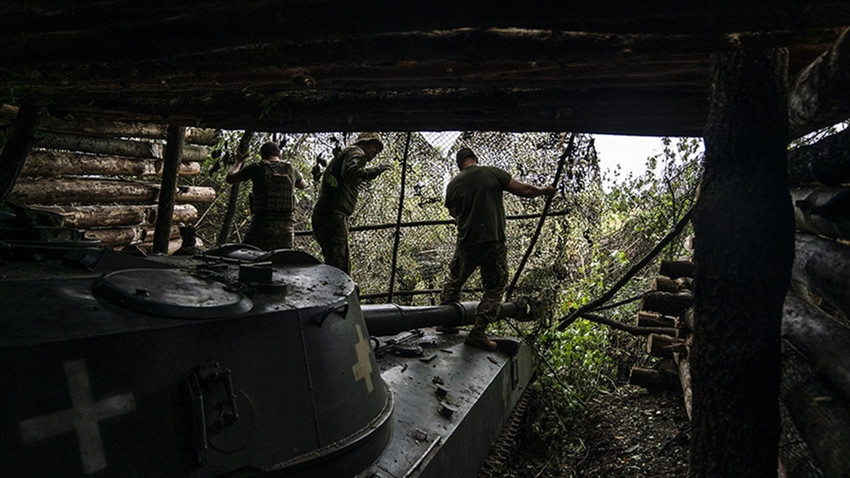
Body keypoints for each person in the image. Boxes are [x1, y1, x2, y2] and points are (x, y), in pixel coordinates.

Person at [440, 147, 557, 350]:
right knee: (494, 287)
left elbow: (453, 213)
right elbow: (524, 190)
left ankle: (445, 322)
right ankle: (478, 332)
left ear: (459, 164)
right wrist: (544, 191)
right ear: (475, 158)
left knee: (454, 281)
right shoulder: (491, 173)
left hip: (466, 242)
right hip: (492, 240)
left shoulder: (453, 185)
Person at [311, 132, 391, 274]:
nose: (377, 152)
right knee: (339, 268)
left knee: (336, 264)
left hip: (328, 215)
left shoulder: (346, 154)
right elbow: (351, 171)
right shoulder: (356, 151)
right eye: (375, 146)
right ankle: (335, 295)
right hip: (332, 216)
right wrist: (376, 170)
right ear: (365, 142)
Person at [226, 141, 308, 250]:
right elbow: (303, 185)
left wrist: (239, 162)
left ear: (262, 155)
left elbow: (230, 178)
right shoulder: (291, 169)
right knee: (283, 260)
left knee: (249, 255)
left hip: (262, 224)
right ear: (280, 154)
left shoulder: (256, 167)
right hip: (286, 226)